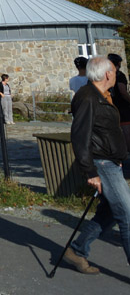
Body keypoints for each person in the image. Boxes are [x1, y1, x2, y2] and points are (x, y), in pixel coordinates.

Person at [61, 55, 130, 276]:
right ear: (108, 74)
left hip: (111, 161)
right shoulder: (88, 97)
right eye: (113, 71)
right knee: (127, 216)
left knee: (109, 213)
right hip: (102, 163)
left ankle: (77, 250)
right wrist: (90, 171)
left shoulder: (102, 95)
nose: (115, 74)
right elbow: (80, 136)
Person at [108, 54, 130, 145]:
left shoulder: (106, 74)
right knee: (126, 131)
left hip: (111, 105)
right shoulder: (119, 75)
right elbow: (123, 91)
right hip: (122, 106)